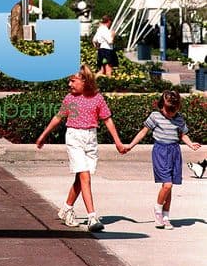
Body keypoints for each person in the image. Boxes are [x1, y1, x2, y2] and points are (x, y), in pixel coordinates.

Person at [35, 64, 125, 232]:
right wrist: (43, 135)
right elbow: (58, 117)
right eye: (69, 81)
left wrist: (118, 142)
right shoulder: (70, 99)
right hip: (74, 137)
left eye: (73, 81)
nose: (69, 85)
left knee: (81, 178)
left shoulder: (97, 98)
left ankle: (66, 209)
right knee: (85, 177)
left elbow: (107, 119)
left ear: (85, 81)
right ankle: (92, 217)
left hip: (91, 139)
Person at [123, 90, 201, 229]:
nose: (171, 113)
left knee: (169, 187)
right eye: (168, 110)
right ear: (161, 105)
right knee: (167, 185)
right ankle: (158, 210)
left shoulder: (179, 118)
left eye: (174, 110)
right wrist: (130, 145)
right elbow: (143, 132)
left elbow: (182, 134)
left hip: (174, 152)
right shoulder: (155, 116)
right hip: (161, 152)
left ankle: (166, 216)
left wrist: (190, 144)